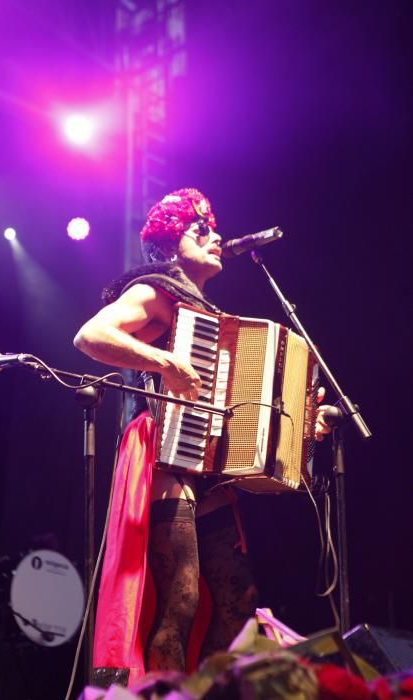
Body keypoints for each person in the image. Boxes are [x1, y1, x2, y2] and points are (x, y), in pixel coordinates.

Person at [74, 188, 331, 688]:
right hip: (164, 454)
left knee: (238, 600)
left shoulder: (205, 312)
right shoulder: (154, 290)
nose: (215, 238)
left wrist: (301, 426)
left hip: (205, 462)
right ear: (172, 245)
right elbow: (90, 336)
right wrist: (165, 361)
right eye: (201, 231)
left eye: (213, 230)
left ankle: (204, 694)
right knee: (182, 596)